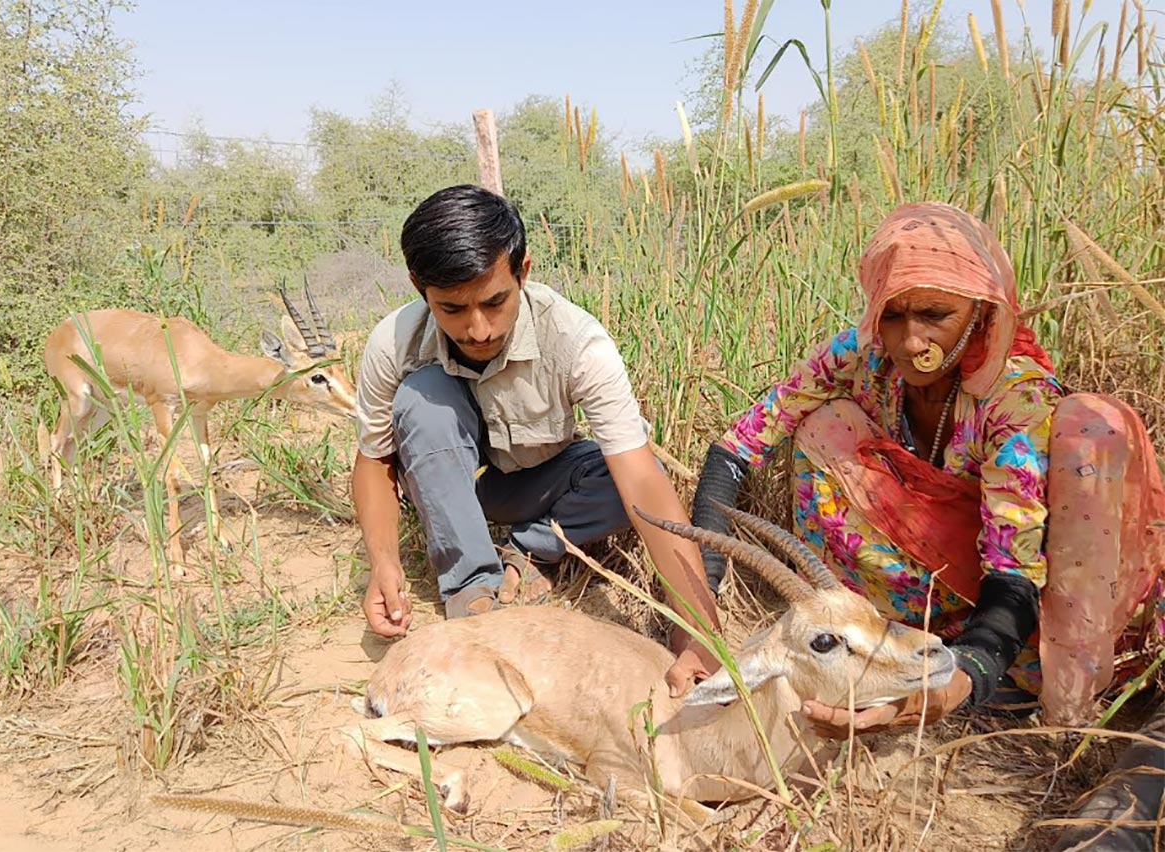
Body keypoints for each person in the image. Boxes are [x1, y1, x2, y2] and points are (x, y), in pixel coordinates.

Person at [691, 201, 1165, 732]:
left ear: (982, 313)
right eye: (892, 315)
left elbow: (1014, 569)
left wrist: (961, 680)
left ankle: (1025, 683)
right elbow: (741, 445)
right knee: (825, 426)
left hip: (1023, 595)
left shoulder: (1015, 401)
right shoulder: (862, 355)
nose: (911, 341)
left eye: (935, 316)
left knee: (1091, 428)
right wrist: (699, 600)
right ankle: (871, 635)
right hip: (935, 582)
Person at [352, 184, 719, 695]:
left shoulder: (577, 342)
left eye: (494, 301)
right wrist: (383, 561)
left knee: (616, 474)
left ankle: (527, 552)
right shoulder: (393, 342)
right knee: (422, 398)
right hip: (447, 488)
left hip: (533, 486)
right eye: (452, 309)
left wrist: (699, 633)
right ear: (419, 288)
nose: (478, 328)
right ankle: (473, 589)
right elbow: (373, 461)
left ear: (524, 272)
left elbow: (642, 481)